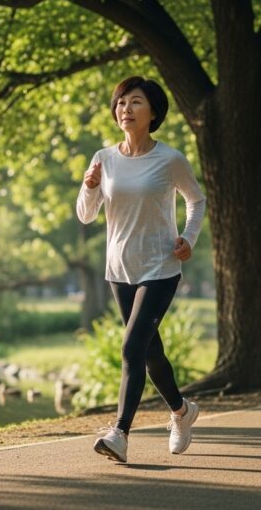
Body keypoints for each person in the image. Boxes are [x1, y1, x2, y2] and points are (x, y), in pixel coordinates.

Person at [76, 75, 206, 464]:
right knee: (150, 353)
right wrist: (89, 186)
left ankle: (119, 433)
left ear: (153, 113)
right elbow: (86, 216)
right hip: (119, 269)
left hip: (161, 266)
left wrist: (188, 238)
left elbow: (196, 201)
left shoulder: (169, 159)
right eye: (120, 103)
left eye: (135, 102)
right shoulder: (103, 158)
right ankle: (182, 412)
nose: (125, 110)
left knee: (131, 347)